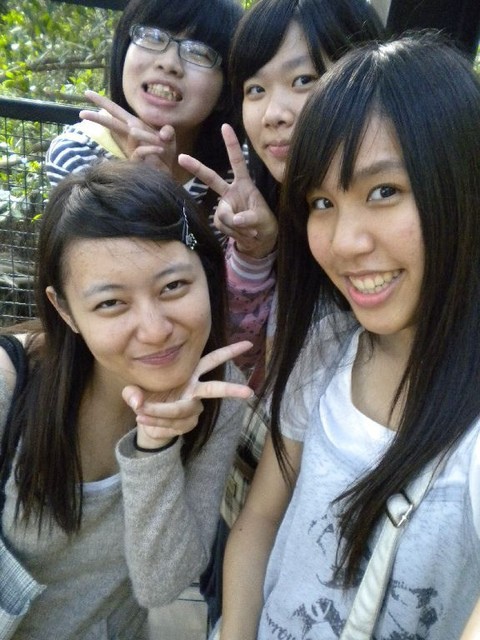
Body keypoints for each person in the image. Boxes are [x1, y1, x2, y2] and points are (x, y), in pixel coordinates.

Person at [220, 32, 480, 639]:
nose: (344, 243)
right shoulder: (329, 346)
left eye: (384, 192)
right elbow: (259, 523)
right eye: (321, 202)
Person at [178, 0, 383, 625]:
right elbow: (247, 361)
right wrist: (255, 254)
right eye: (256, 89)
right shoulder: (257, 206)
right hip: (254, 493)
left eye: (304, 79)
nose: (275, 112)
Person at [0, 160, 253, 638]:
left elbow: (163, 585)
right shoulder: (10, 381)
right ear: (65, 310)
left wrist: (155, 447)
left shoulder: (220, 397)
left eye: (173, 286)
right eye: (111, 303)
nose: (155, 331)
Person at [45, 0, 243, 231]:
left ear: (226, 90)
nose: (168, 64)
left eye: (199, 52)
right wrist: (146, 187)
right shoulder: (77, 153)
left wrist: (256, 245)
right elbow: (110, 254)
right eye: (153, 37)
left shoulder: (239, 167)